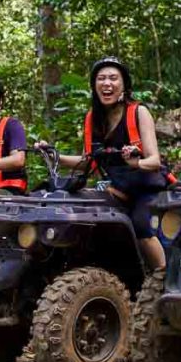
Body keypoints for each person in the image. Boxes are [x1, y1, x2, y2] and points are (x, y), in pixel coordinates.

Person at [46, 57, 168, 269]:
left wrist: (136, 163)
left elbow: (154, 160)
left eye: (113, 78)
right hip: (115, 190)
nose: (107, 84)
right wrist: (55, 156)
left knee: (142, 228)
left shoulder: (138, 112)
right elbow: (88, 163)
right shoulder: (93, 118)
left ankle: (162, 282)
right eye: (101, 79)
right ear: (94, 86)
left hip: (146, 189)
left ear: (124, 85)